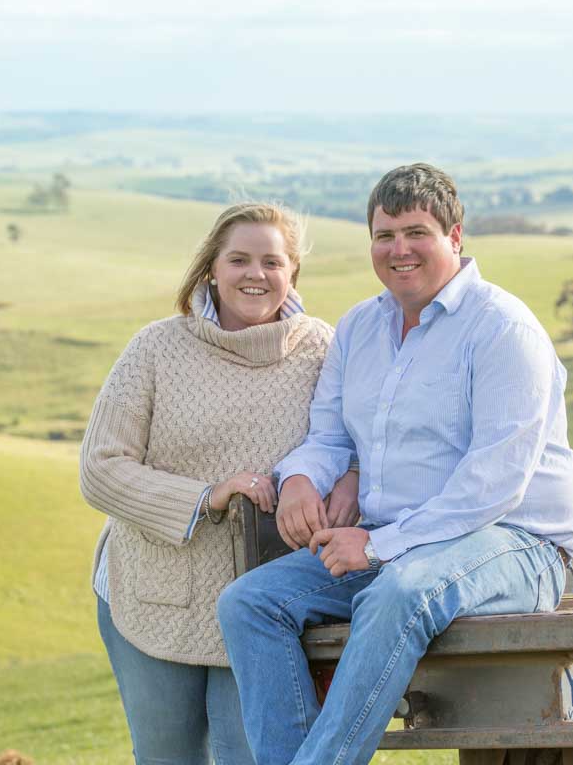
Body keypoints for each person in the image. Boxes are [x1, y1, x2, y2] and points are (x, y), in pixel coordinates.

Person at [217, 164, 573, 765]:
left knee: (398, 592)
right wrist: (301, 478)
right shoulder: (360, 328)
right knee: (249, 603)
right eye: (384, 235)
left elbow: (493, 485)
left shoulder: (503, 328)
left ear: (455, 237)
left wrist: (377, 545)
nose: (398, 249)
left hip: (516, 543)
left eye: (416, 233)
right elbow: (330, 435)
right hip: (396, 545)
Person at [79, 202, 359, 765]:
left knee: (252, 756)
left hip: (268, 602)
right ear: (211, 268)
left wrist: (350, 479)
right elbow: (100, 469)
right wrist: (206, 497)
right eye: (239, 260)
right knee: (167, 757)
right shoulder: (156, 348)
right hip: (152, 589)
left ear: (292, 271)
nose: (256, 274)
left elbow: (361, 441)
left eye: (272, 262)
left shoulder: (325, 349)